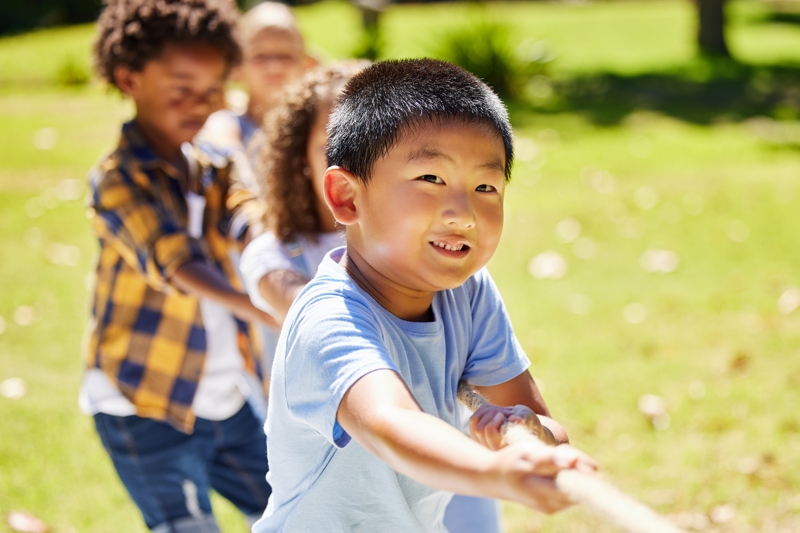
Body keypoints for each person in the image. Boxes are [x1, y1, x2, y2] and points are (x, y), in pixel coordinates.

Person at [251, 59, 597, 533]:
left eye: (485, 186)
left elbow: (541, 423)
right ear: (347, 197)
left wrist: (530, 439)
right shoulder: (328, 318)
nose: (463, 213)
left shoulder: (467, 293)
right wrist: (496, 473)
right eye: (431, 179)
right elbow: (391, 425)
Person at [82, 1, 275, 531]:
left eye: (213, 90)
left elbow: (249, 213)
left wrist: (272, 250)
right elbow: (174, 260)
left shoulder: (214, 167)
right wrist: (257, 306)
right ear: (129, 78)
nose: (200, 104)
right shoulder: (118, 179)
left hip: (227, 398)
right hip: (143, 403)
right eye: (182, 88)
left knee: (292, 512)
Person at [199, 1, 313, 191]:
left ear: (307, 65)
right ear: (236, 68)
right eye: (260, 55)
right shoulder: (226, 126)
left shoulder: (314, 131)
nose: (274, 66)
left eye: (286, 55)